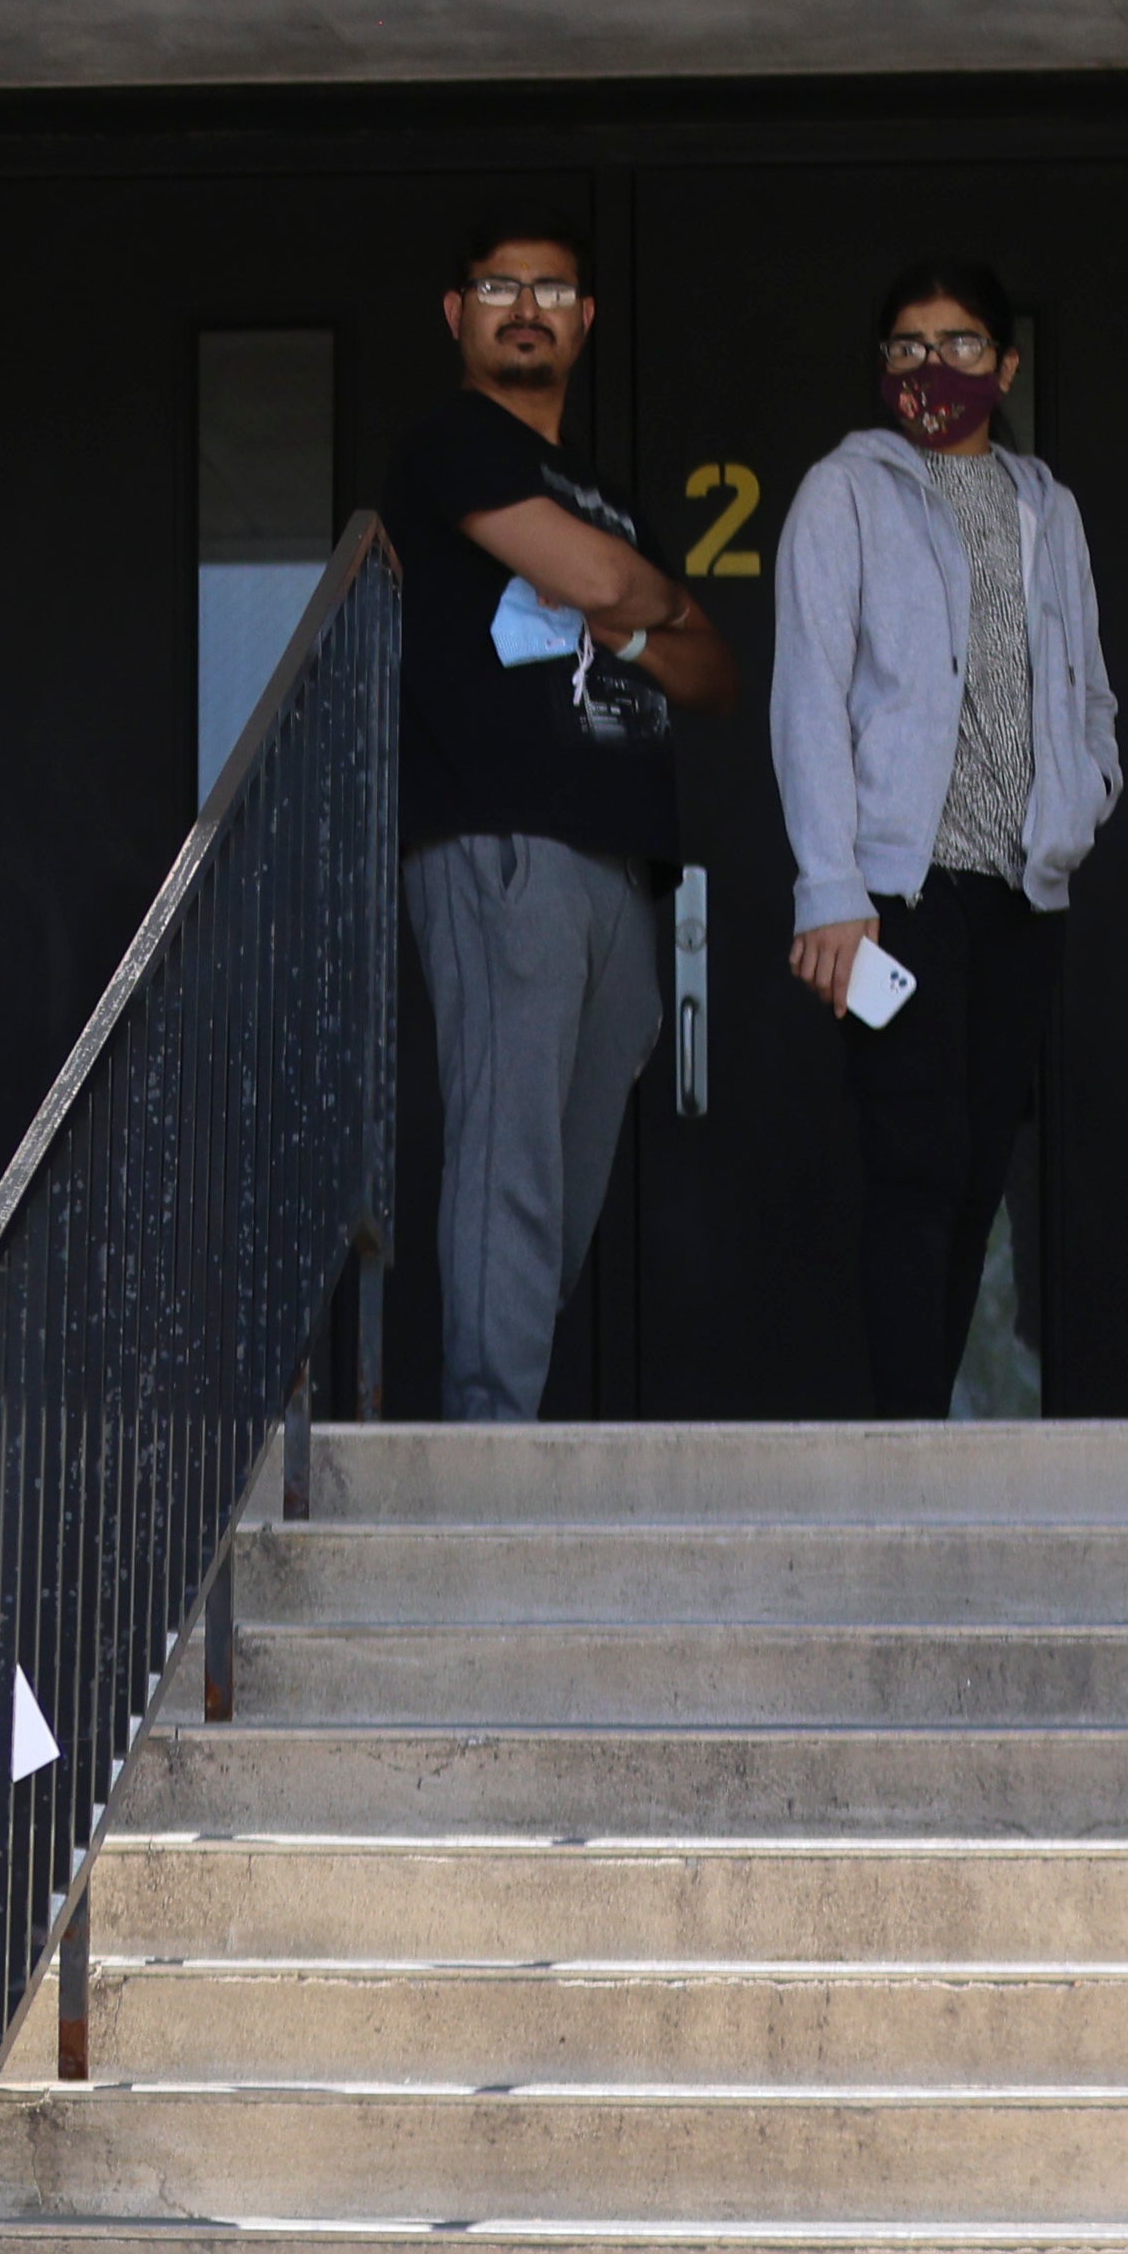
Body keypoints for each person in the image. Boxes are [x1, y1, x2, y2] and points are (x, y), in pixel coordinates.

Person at [385, 221, 741, 1425]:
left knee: (564, 1168)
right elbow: (606, 587)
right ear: (456, 313)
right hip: (499, 837)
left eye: (548, 288)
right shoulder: (449, 443)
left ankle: (507, 1403)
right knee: (508, 1154)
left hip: (617, 859)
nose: (523, 305)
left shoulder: (602, 488)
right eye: (496, 286)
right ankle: (487, 1440)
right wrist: (636, 601)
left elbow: (709, 672)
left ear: (584, 318)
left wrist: (635, 610)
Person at [766, 259, 1124, 1419]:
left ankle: (925, 1423)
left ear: (1003, 365)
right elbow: (807, 692)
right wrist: (829, 885)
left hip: (1021, 890)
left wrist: (1084, 793)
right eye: (909, 347)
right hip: (894, 886)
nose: (935, 368)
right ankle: (905, 1437)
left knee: (974, 1168)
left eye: (960, 344)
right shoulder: (843, 490)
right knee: (913, 1159)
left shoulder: (1046, 506)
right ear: (883, 370)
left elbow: (1089, 689)